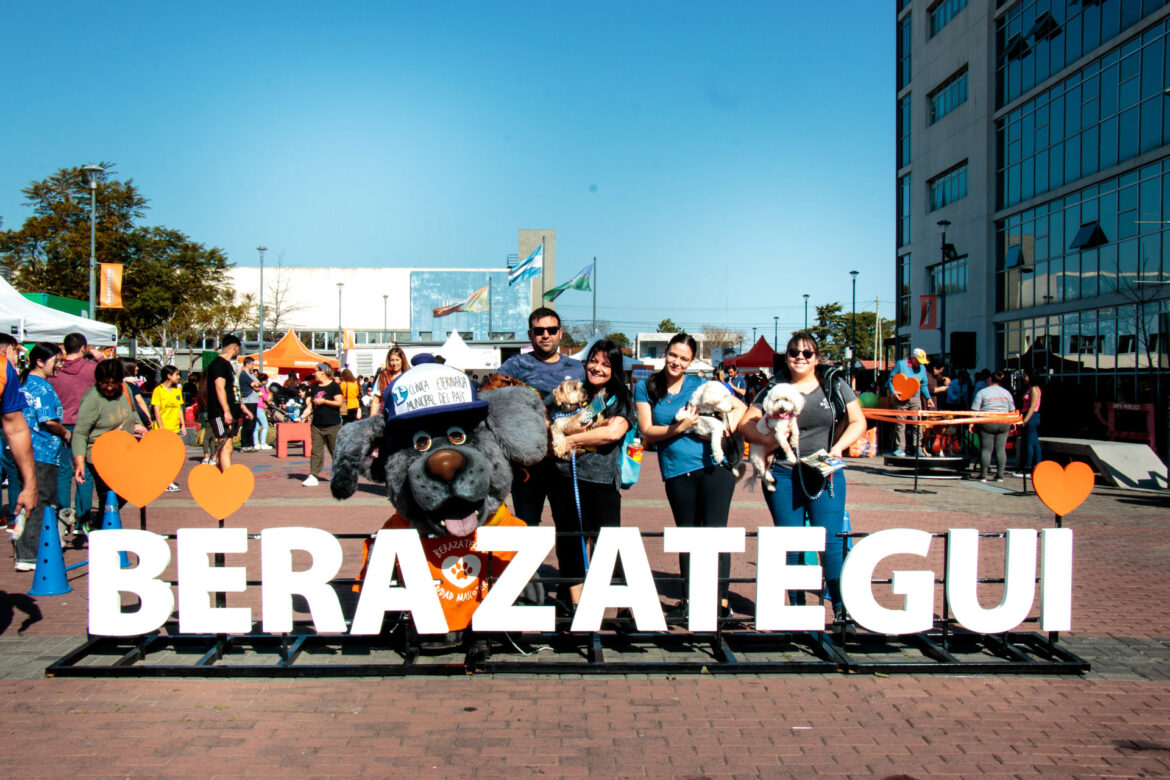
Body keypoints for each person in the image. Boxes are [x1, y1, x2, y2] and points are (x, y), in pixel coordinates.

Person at [738, 331, 866, 624]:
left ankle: (841, 611)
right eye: (794, 352)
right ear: (786, 356)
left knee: (831, 541)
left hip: (823, 468)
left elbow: (859, 421)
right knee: (791, 543)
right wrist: (769, 443)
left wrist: (837, 448)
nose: (800, 357)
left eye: (807, 353)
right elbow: (745, 421)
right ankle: (797, 612)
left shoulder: (833, 383)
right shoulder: (775, 385)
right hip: (783, 473)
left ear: (816, 358)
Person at [635, 332, 746, 618]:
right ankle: (690, 599)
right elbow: (647, 432)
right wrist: (680, 428)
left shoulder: (702, 384)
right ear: (666, 353)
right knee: (687, 536)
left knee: (715, 534)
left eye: (684, 358)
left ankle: (720, 602)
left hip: (713, 467)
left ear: (692, 361)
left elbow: (740, 407)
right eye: (673, 355)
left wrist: (729, 426)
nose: (677, 361)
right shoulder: (645, 387)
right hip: (676, 471)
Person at [546, 339, 634, 607]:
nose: (597, 368)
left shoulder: (620, 397)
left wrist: (569, 439)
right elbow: (546, 417)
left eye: (606, 365)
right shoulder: (572, 389)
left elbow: (613, 432)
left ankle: (621, 605)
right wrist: (554, 427)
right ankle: (576, 606)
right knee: (570, 541)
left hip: (601, 480)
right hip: (564, 478)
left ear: (614, 369)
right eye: (594, 361)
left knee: (607, 543)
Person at [498, 307, 585, 526]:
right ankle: (531, 563)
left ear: (560, 333)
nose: (545, 335)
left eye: (551, 329)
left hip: (565, 461)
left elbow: (592, 407)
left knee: (570, 527)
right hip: (528, 463)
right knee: (526, 525)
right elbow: (494, 401)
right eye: (539, 331)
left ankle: (570, 562)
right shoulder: (515, 365)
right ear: (530, 335)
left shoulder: (576, 369)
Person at [72, 359, 148, 520]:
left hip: (124, 451)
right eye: (104, 383)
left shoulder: (125, 390)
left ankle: (103, 523)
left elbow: (132, 412)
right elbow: (80, 432)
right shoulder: (91, 398)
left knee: (126, 490)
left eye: (113, 383)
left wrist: (138, 425)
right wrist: (79, 462)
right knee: (108, 494)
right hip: (99, 453)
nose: (109, 387)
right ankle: (104, 527)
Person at [13, 342, 65, 570]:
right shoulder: (42, 388)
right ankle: (29, 554)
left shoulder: (25, 384)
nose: (60, 366)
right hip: (42, 450)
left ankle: (24, 543)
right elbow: (47, 420)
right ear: (39, 362)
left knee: (27, 501)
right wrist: (66, 432)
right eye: (56, 361)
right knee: (40, 501)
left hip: (25, 450)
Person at [49, 332, 97, 525]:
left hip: (59, 426)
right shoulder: (92, 370)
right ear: (83, 348)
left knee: (63, 473)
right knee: (84, 472)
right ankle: (82, 518)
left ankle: (63, 516)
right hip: (86, 427)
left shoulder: (54, 371)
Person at [204, 335, 250, 472]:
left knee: (227, 446)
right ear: (235, 348)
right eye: (238, 349)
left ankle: (219, 473)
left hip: (231, 410)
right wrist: (226, 411)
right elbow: (219, 387)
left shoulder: (228, 365)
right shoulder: (218, 364)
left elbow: (233, 389)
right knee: (225, 445)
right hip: (219, 412)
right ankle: (227, 477)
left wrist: (243, 407)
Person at [885, 347, 933, 457]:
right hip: (901, 397)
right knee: (900, 424)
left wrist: (928, 398)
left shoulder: (922, 368)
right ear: (913, 358)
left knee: (917, 423)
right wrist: (893, 391)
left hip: (916, 398)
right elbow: (891, 378)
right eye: (919, 361)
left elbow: (924, 384)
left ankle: (918, 448)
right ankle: (900, 448)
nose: (920, 364)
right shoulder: (901, 365)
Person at [969, 369, 1015, 483]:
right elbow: (1012, 410)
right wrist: (1013, 422)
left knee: (986, 449)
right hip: (1003, 422)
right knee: (1000, 449)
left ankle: (983, 475)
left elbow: (975, 409)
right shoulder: (1006, 393)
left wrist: (971, 423)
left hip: (987, 422)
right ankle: (1000, 475)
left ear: (990, 379)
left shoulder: (982, 392)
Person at [303, 362, 343, 487]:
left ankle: (340, 475)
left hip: (332, 424)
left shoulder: (334, 386)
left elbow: (339, 403)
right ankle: (313, 475)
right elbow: (310, 404)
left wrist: (324, 401)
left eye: (315, 371)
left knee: (335, 451)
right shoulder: (314, 387)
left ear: (323, 371)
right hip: (316, 424)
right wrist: (306, 411)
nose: (313, 373)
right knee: (316, 450)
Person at [151, 365, 186, 491]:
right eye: (176, 374)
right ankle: (165, 481)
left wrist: (183, 424)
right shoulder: (158, 390)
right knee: (163, 457)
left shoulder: (177, 390)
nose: (178, 377)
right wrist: (161, 428)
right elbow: (156, 411)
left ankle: (167, 480)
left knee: (173, 457)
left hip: (174, 429)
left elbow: (179, 408)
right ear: (168, 376)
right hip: (162, 430)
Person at [1014, 369, 1043, 478]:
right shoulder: (1030, 388)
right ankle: (1036, 465)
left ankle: (1028, 467)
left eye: (1026, 375)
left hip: (1031, 416)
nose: (1024, 377)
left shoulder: (1034, 390)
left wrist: (1025, 420)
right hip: (1029, 415)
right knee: (1034, 442)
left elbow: (1032, 407)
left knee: (1029, 443)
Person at [369, 347, 408, 418]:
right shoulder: (383, 376)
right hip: (385, 416)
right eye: (392, 360)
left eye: (397, 360)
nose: (394, 363)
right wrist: (371, 421)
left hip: (404, 415)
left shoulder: (408, 375)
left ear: (402, 360)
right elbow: (375, 400)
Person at [237, 356, 262, 452]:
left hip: (253, 400)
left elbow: (258, 384)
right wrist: (256, 385)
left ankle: (249, 443)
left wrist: (257, 385)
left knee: (252, 423)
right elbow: (255, 384)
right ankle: (245, 444)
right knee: (248, 422)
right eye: (252, 364)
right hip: (248, 401)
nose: (253, 366)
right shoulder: (244, 374)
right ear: (247, 364)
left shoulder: (250, 374)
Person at [253, 373, 272, 449]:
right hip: (260, 407)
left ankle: (256, 443)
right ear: (264, 380)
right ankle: (263, 443)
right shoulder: (262, 387)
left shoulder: (256, 386)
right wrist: (267, 391)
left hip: (255, 406)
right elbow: (265, 397)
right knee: (265, 425)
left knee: (256, 426)